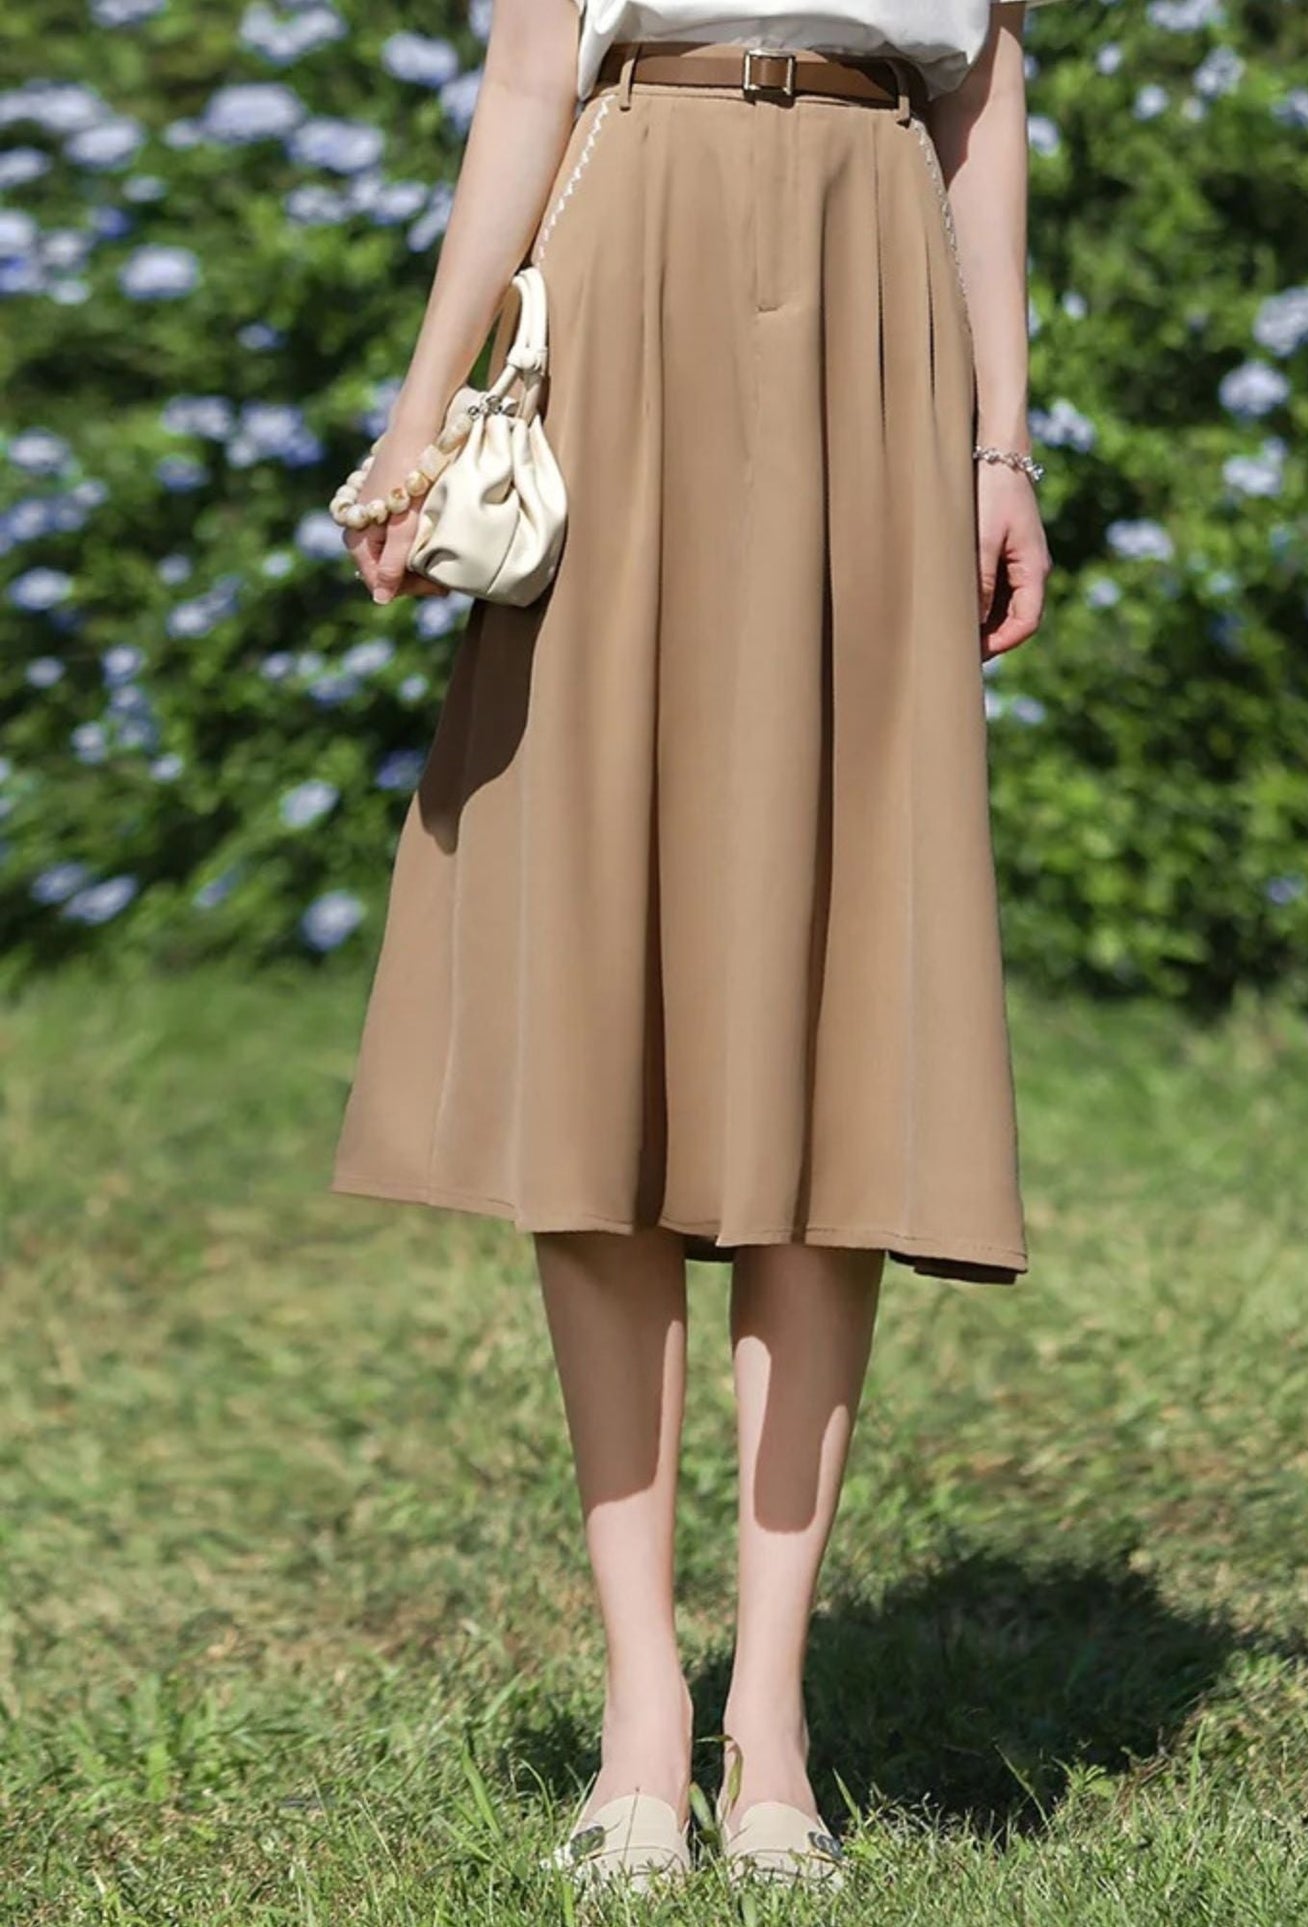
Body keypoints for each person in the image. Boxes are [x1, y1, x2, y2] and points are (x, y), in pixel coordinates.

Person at [329, 0, 1055, 1892]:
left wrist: (1004, 446)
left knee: (834, 992)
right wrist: (422, 410)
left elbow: (981, 97)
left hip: (871, 301)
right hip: (630, 283)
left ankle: (772, 1721)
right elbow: (520, 84)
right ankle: (644, 1702)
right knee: (603, 978)